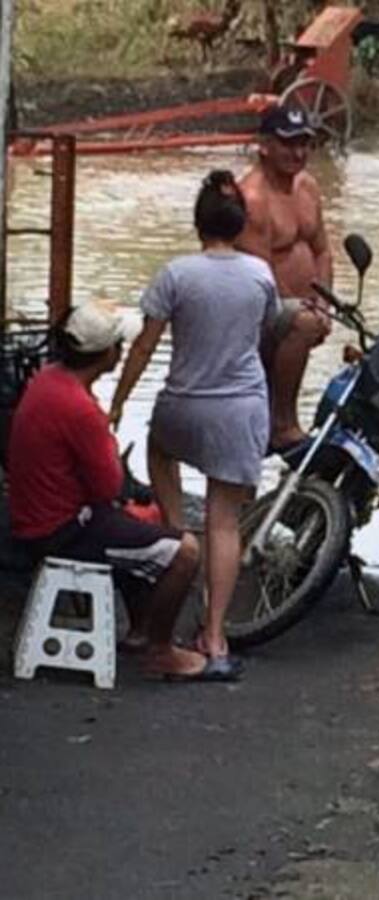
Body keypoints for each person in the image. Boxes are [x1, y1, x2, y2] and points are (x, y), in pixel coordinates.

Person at [111, 170, 280, 680]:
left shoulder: (176, 274)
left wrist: (116, 402)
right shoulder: (260, 275)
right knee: (224, 520)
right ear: (241, 224)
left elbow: (143, 345)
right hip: (239, 409)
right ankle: (214, 634)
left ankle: (176, 537)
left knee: (160, 451)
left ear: (197, 223)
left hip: (182, 405)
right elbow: (265, 331)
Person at [6, 301, 209, 680]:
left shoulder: (49, 379)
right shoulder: (80, 408)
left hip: (41, 516)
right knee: (185, 553)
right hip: (61, 529)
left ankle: (140, 630)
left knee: (134, 524)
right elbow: (108, 486)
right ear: (108, 355)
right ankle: (162, 652)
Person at [235, 105, 333, 455]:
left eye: (304, 143)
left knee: (312, 322)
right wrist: (302, 313)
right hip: (261, 309)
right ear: (264, 145)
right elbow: (258, 277)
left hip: (303, 307)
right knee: (303, 323)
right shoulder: (252, 199)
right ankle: (283, 423)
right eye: (288, 144)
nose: (298, 152)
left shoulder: (308, 187)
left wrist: (324, 303)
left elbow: (322, 250)